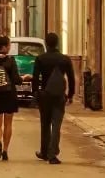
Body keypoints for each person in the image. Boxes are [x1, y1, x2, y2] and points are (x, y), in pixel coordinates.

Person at [32, 32, 76, 164]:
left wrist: (35, 93)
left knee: (45, 124)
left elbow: (35, 78)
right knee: (56, 125)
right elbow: (71, 78)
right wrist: (70, 95)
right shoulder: (65, 59)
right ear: (57, 43)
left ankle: (44, 152)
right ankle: (52, 154)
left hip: (45, 95)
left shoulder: (41, 58)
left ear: (46, 43)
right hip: (59, 95)